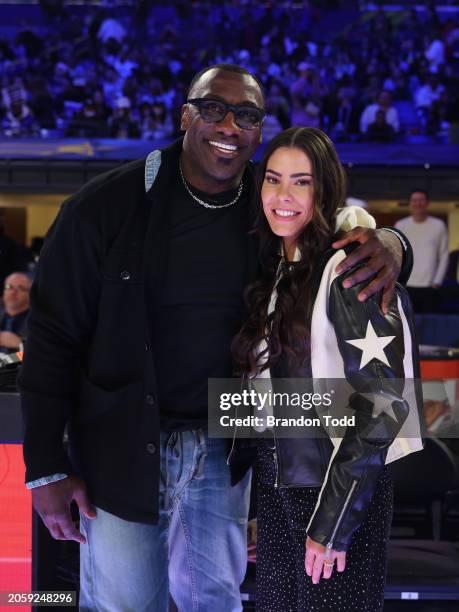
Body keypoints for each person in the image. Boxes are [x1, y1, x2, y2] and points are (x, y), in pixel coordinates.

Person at [20, 65, 412, 612]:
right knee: (126, 604)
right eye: (213, 109)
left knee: (215, 604)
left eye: (246, 116)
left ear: (258, 131)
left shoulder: (268, 202)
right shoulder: (104, 207)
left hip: (224, 450)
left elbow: (337, 221)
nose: (229, 125)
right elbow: (52, 337)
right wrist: (45, 465)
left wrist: (394, 243)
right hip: (121, 449)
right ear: (186, 116)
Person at [232, 127, 421, 611]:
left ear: (326, 189)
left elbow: (384, 402)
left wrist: (334, 523)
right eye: (273, 179)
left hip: (335, 495)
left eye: (301, 181)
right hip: (282, 489)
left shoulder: (351, 266)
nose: (283, 196)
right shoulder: (278, 265)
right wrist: (261, 504)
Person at [395, 189, 449, 312]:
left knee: (428, 325)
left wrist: (437, 281)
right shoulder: (400, 225)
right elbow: (396, 255)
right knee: (406, 324)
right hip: (406, 284)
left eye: (421, 200)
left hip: (430, 286)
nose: (418, 203)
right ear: (410, 203)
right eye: (414, 200)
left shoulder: (438, 225)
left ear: (427, 203)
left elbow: (444, 255)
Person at [0, 272, 31, 354]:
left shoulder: (38, 322)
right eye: (9, 287)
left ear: (29, 294)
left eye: (21, 288)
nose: (13, 292)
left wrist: (20, 344)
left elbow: (44, 354)